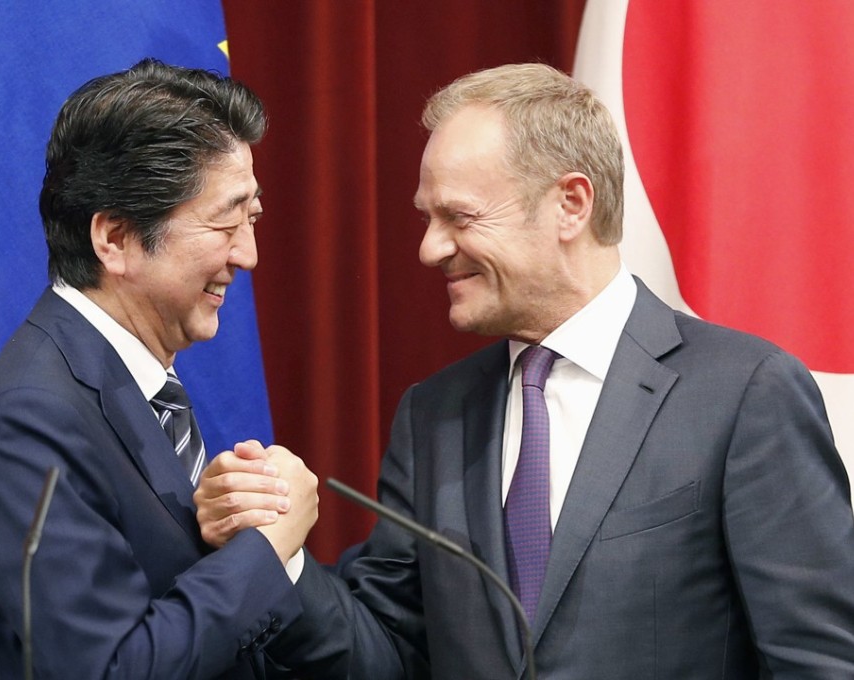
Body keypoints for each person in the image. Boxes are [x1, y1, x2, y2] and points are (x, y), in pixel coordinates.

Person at [197, 63, 854, 678]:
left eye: (459, 217)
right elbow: (385, 651)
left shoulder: (744, 393)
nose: (430, 249)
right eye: (427, 219)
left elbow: (820, 661)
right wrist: (276, 552)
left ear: (571, 204)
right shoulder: (436, 414)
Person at [0, 59, 317, 679]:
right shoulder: (28, 416)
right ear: (114, 239)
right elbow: (109, 669)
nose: (248, 255)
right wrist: (266, 549)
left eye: (251, 220)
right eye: (225, 222)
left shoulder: (137, 382)